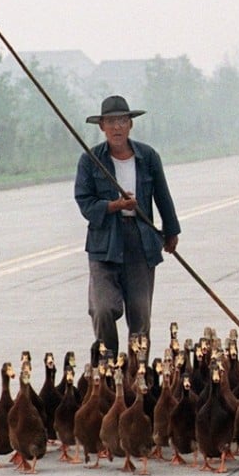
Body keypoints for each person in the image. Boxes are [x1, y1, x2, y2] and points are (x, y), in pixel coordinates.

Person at [74, 95, 181, 356]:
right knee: (102, 309)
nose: (117, 127)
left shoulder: (148, 156)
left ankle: (137, 374)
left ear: (130, 124)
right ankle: (109, 364)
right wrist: (115, 206)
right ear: (102, 127)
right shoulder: (90, 160)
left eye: (122, 120)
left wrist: (171, 231)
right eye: (110, 122)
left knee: (140, 316)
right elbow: (85, 203)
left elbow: (162, 196)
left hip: (140, 242)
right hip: (104, 243)